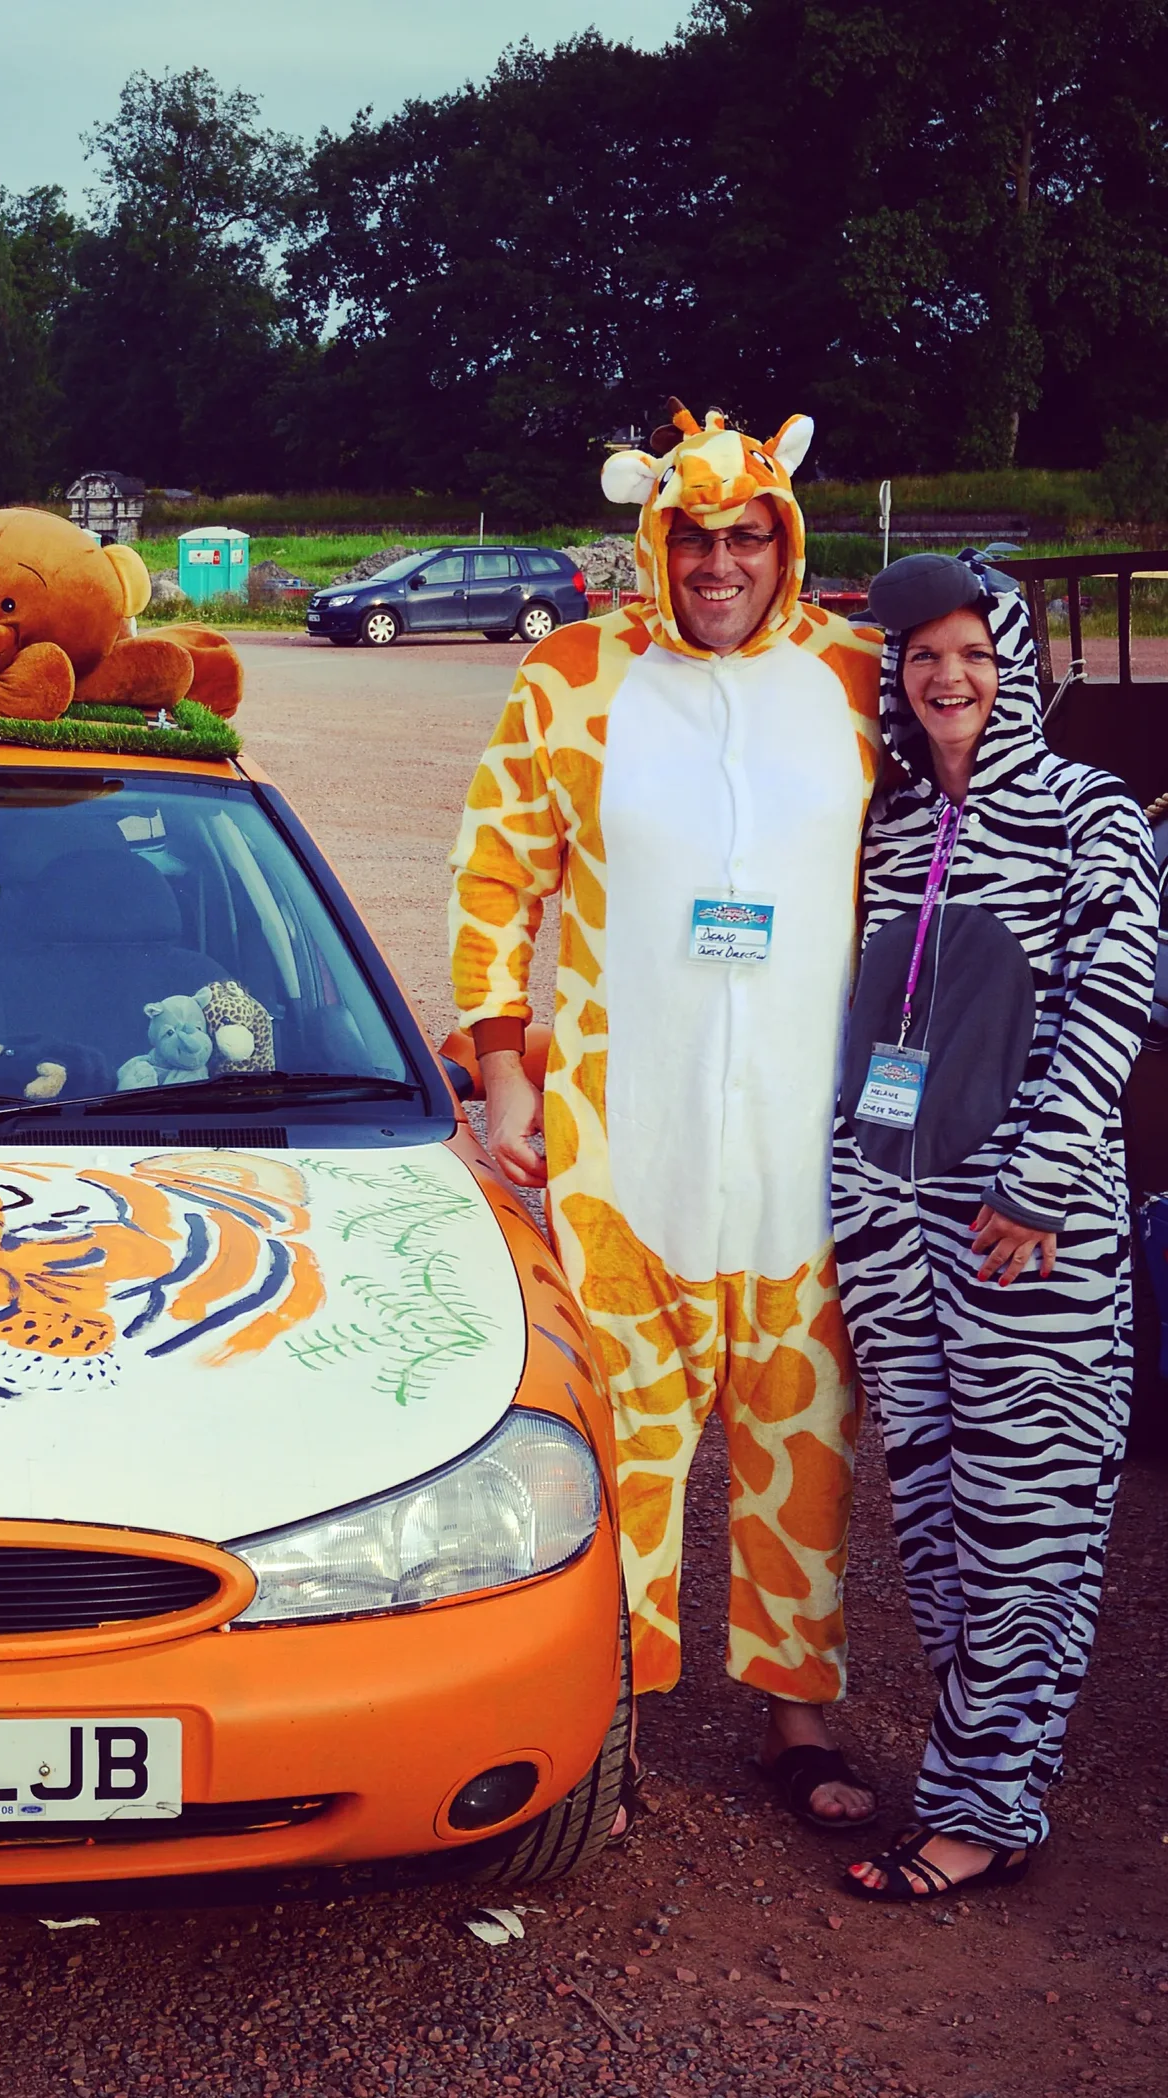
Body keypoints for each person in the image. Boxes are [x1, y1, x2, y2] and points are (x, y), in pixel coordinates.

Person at [449, 402, 883, 1833]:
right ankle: (610, 1721)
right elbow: (496, 882)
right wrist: (506, 1072)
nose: (716, 562)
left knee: (801, 1433)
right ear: (656, 539)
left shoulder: (857, 676)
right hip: (618, 1132)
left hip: (807, 1142)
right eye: (691, 536)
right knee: (624, 1437)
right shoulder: (573, 674)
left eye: (745, 536)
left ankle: (796, 1718)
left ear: (785, 541)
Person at [829, 552, 1160, 1901]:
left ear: (1011, 662)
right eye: (920, 657)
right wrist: (848, 1184)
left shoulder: (1091, 815)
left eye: (970, 650)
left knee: (1031, 1525)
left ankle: (986, 1813)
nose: (945, 676)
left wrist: (1035, 1181)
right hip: (891, 1227)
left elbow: (1115, 998)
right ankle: (978, 1780)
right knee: (938, 1523)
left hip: (1026, 1233)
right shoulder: (896, 829)